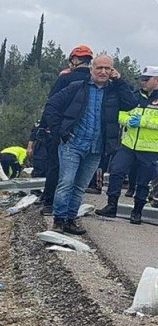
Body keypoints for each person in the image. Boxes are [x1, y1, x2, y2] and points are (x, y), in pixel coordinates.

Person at [43, 55, 137, 234]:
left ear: (112, 71)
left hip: (96, 147)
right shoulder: (77, 87)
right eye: (99, 68)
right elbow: (52, 105)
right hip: (73, 143)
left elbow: (131, 103)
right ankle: (59, 219)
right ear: (91, 69)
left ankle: (71, 220)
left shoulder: (114, 92)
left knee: (80, 186)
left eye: (107, 69)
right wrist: (59, 131)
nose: (103, 72)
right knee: (66, 182)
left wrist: (119, 81)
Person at [95, 66, 158, 224]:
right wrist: (127, 120)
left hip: (150, 148)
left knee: (143, 182)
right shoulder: (135, 96)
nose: (142, 82)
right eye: (141, 79)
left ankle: (137, 212)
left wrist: (143, 122)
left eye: (146, 79)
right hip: (128, 144)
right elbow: (121, 112)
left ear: (156, 80)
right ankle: (111, 205)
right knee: (116, 172)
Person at [38, 45, 96, 216]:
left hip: (62, 130)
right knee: (77, 173)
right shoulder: (94, 82)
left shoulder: (65, 79)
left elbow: (51, 104)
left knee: (55, 167)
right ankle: (69, 207)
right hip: (84, 133)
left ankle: (49, 203)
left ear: (75, 60)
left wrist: (45, 128)